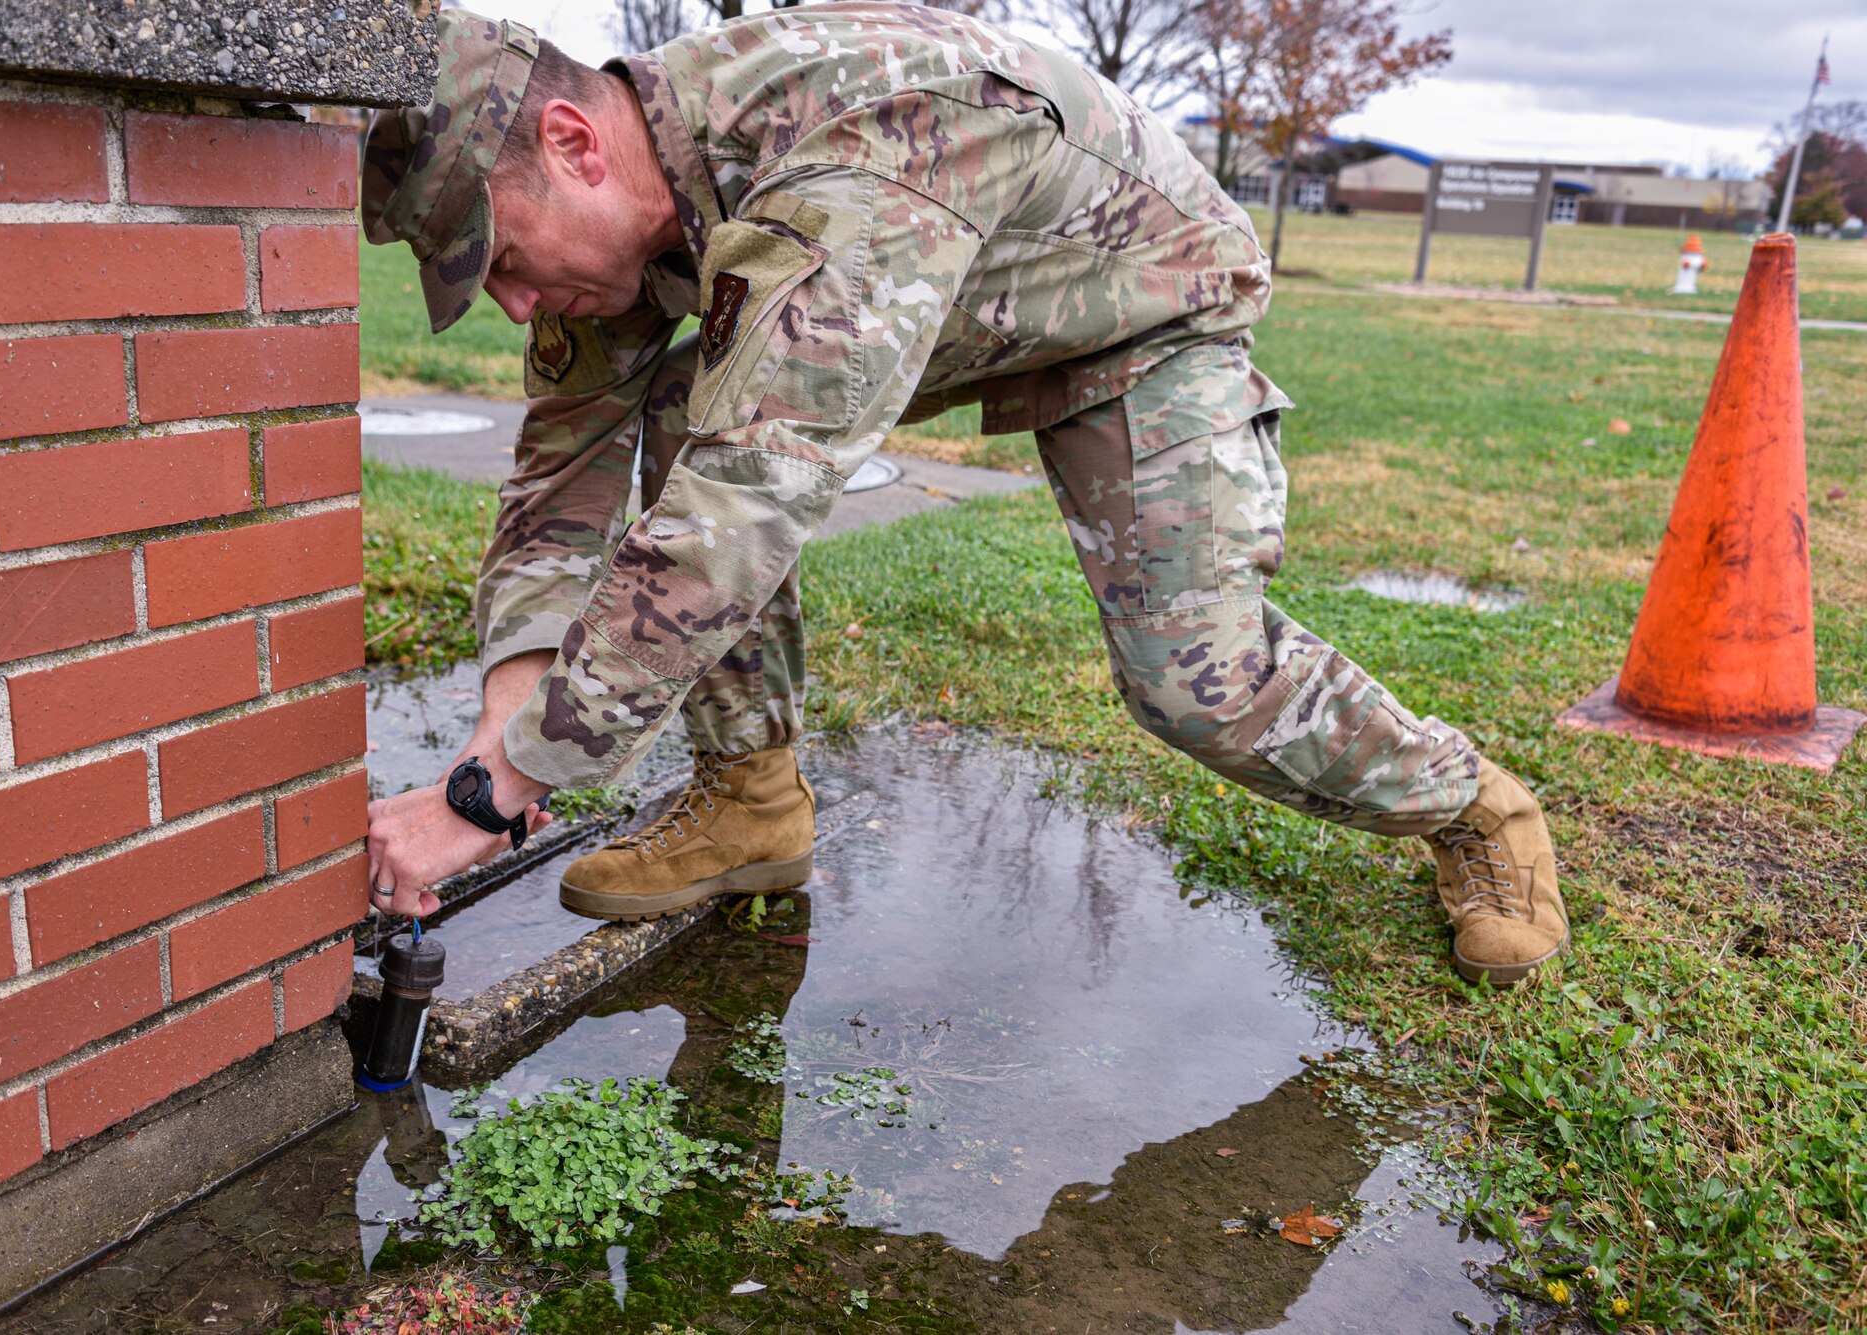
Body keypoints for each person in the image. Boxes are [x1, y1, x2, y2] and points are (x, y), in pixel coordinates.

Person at [361, 4, 1567, 985]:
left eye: (501, 258)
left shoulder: (856, 150)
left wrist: (498, 789)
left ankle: (1474, 809)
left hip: (1138, 305)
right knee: (688, 408)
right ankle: (750, 805)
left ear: (575, 143)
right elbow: (556, 466)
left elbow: (749, 500)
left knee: (1194, 679)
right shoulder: (633, 204)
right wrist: (507, 706)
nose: (513, 305)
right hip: (952, 292)